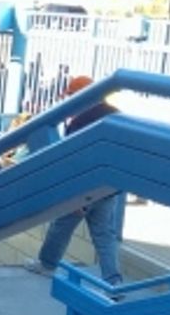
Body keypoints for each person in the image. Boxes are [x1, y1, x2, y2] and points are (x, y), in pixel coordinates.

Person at [24, 76, 126, 286]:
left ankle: (47, 264)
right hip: (109, 187)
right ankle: (113, 280)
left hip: (84, 189)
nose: (68, 101)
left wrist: (74, 196)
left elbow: (74, 162)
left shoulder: (79, 123)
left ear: (81, 96)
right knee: (105, 235)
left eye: (70, 95)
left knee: (61, 226)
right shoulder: (117, 116)